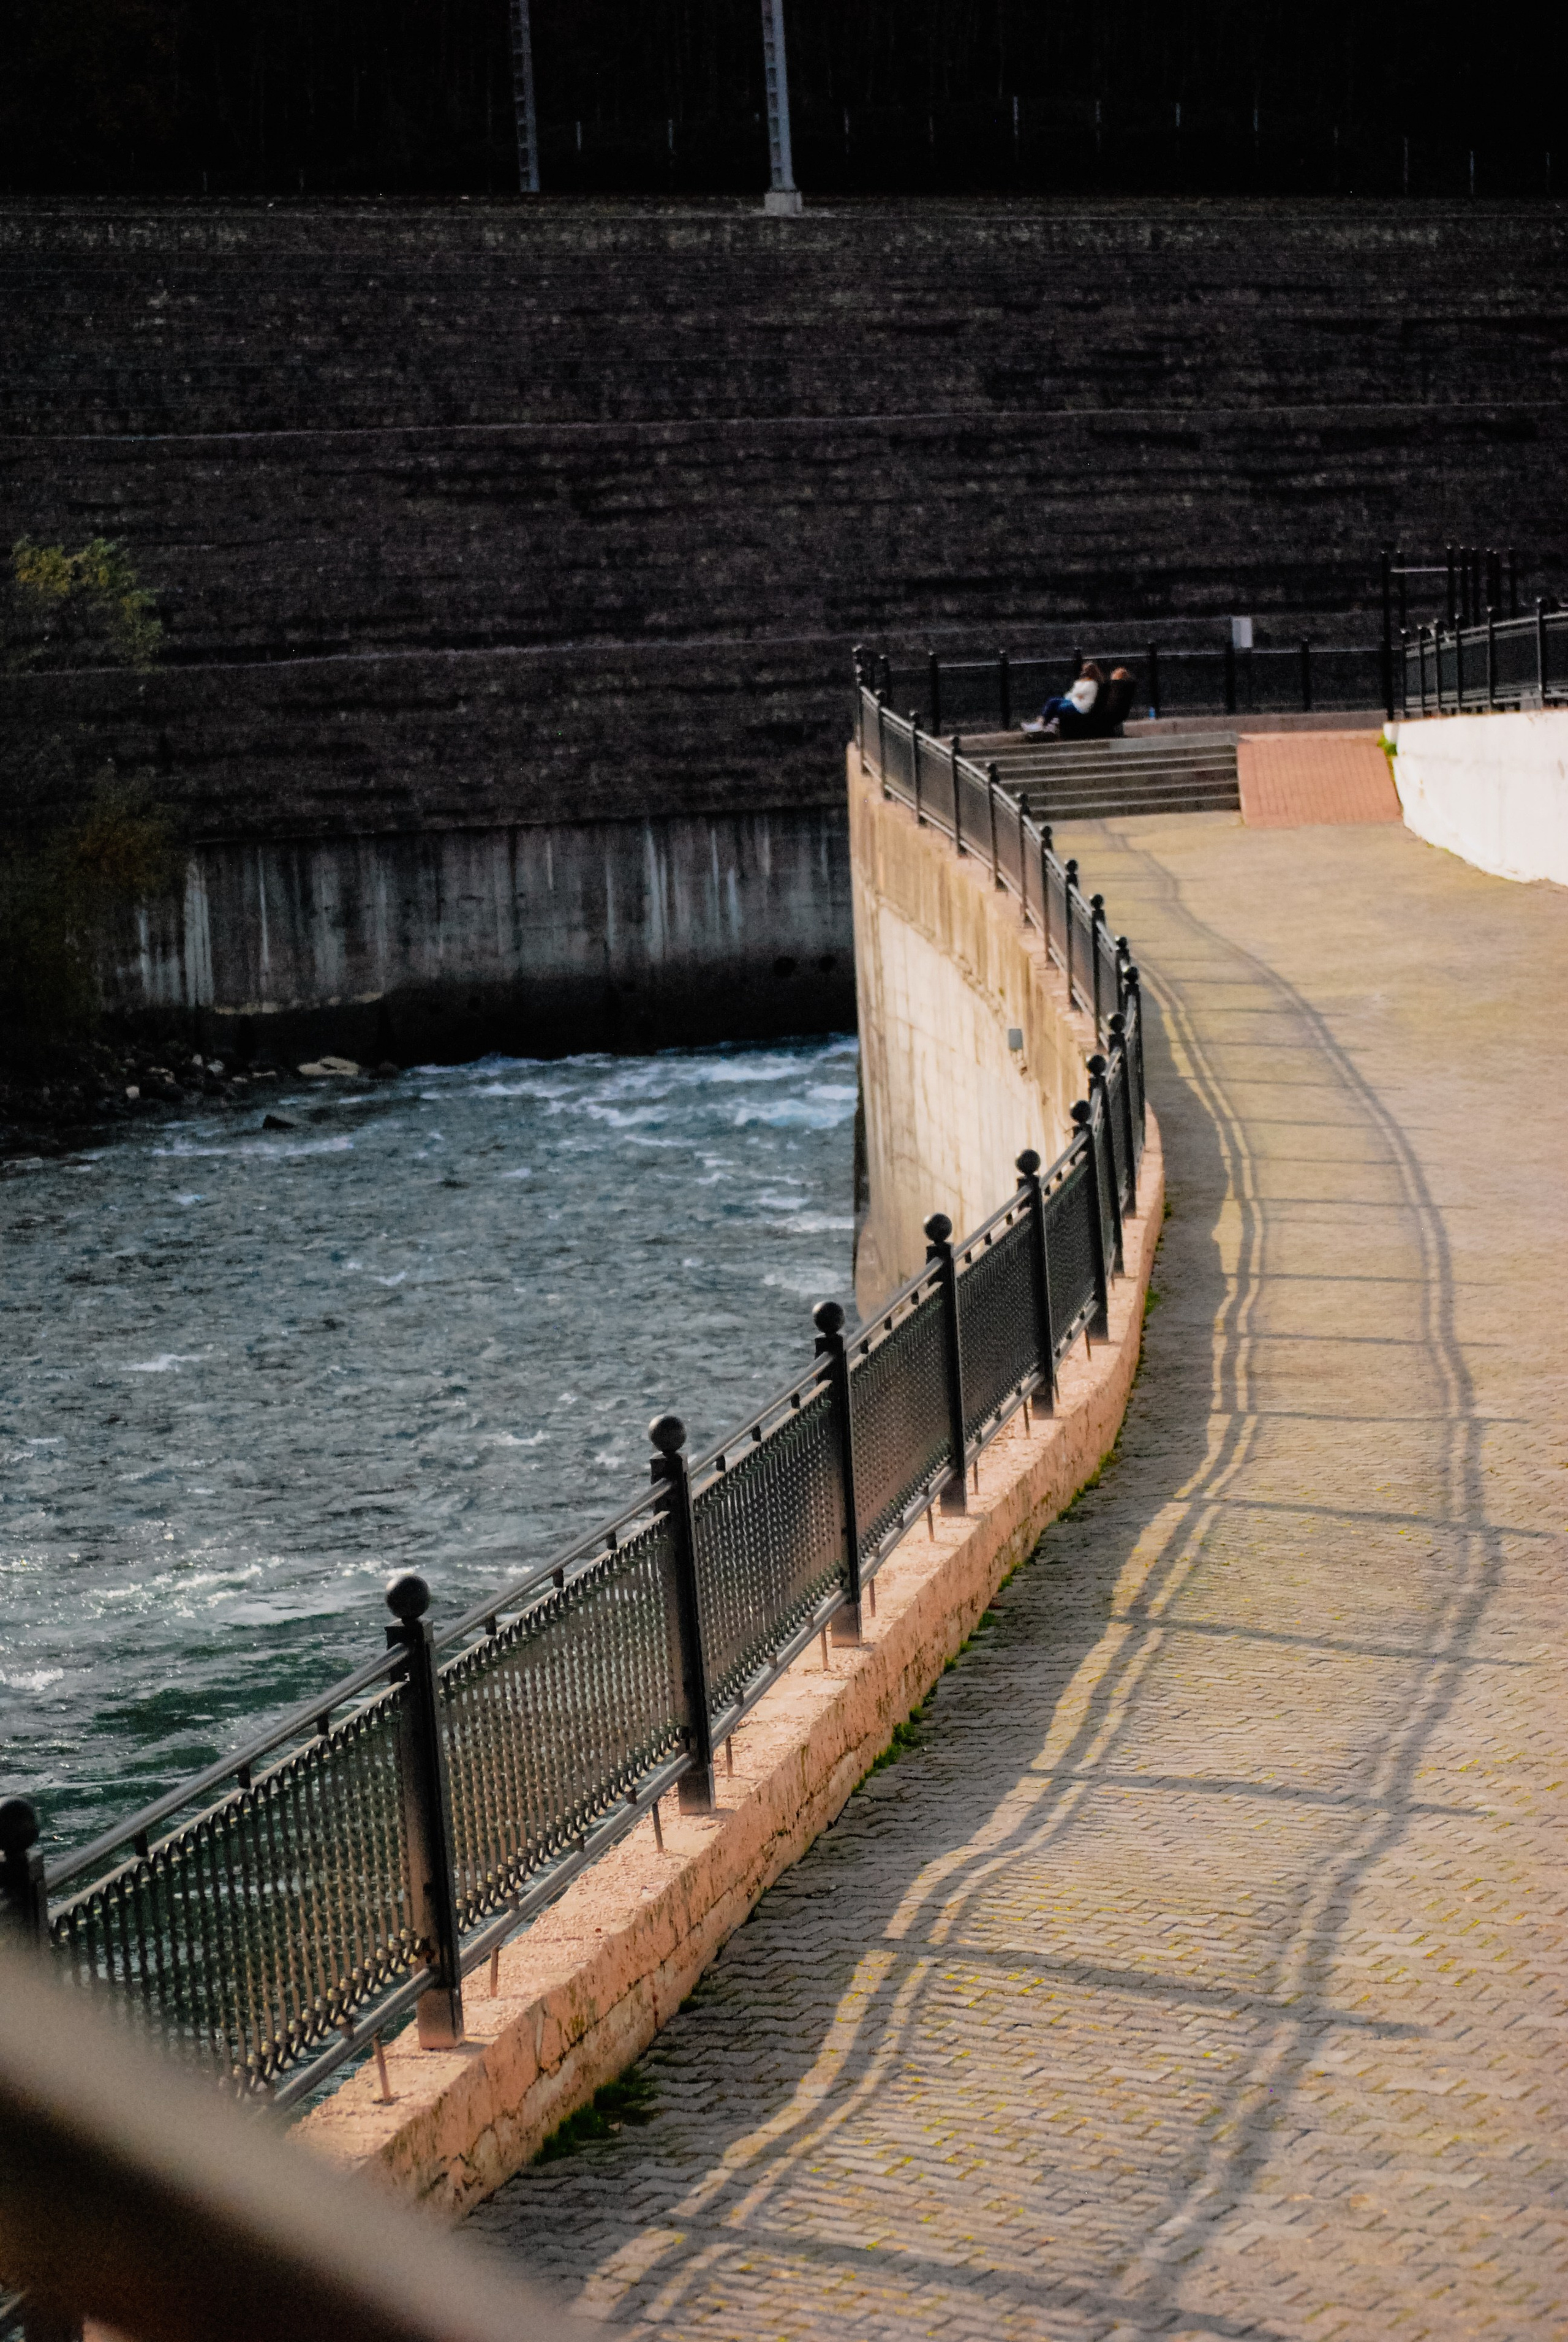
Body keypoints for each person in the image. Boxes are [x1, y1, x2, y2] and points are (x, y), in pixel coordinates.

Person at [1022, 660, 1104, 739]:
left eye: (1085, 671)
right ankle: (1040, 724)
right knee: (1053, 701)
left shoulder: (1091, 684)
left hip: (1081, 707)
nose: (1083, 673)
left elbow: (1075, 693)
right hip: (1076, 702)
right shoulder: (1085, 682)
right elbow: (1072, 695)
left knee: (1061, 707)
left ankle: (1048, 726)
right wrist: (1077, 694)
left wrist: (1077, 693)